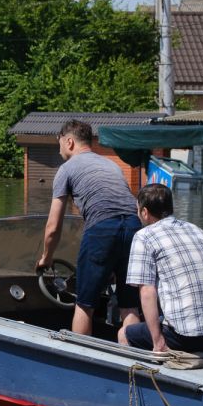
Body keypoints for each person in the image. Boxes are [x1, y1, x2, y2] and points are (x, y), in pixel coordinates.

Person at [37, 119, 142, 336]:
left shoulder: (66, 169)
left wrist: (46, 258)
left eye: (59, 145)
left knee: (85, 304)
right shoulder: (111, 165)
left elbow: (53, 226)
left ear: (69, 142)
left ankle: (80, 358)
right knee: (129, 304)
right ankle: (135, 359)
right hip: (134, 227)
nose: (59, 151)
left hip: (102, 227)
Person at [118, 183, 203, 353]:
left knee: (124, 334)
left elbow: (148, 292)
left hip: (186, 338)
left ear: (144, 212)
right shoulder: (195, 230)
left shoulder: (144, 236)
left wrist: (158, 342)